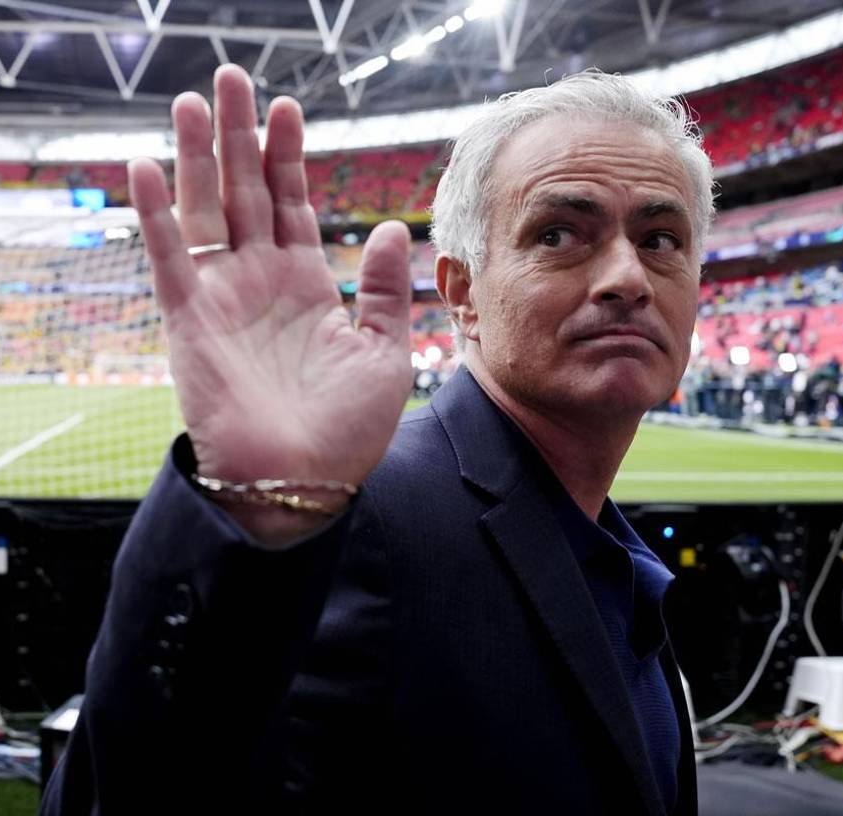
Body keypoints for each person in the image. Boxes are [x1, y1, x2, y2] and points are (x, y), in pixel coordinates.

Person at [40, 65, 713, 815]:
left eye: (661, 239)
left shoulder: (611, 551)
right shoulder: (368, 521)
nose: (627, 276)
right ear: (462, 295)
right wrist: (255, 523)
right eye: (558, 234)